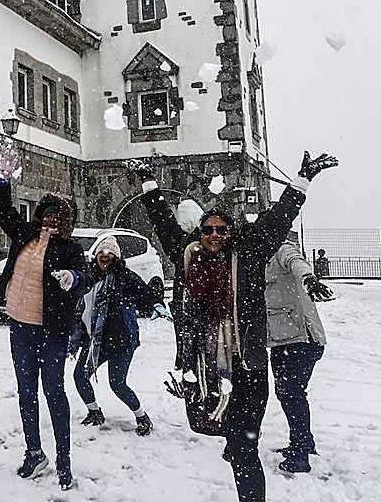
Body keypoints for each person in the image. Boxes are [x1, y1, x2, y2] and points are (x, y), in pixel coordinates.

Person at [136, 151, 338, 502]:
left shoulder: (248, 253)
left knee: (245, 451)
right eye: (208, 229)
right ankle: (236, 440)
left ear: (231, 233)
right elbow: (161, 220)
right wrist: (148, 183)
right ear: (200, 232)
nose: (214, 235)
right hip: (205, 368)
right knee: (219, 433)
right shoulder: (186, 255)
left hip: (247, 368)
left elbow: (278, 219)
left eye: (221, 230)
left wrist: (303, 180)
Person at [0, 144, 87, 491]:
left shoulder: (70, 249)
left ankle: (64, 459)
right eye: (47, 214)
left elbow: (85, 276)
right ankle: (34, 452)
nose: (51, 220)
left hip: (52, 331)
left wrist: (73, 279)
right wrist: (3, 179)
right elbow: (3, 210)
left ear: (66, 223)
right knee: (25, 392)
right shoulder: (26, 235)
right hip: (20, 326)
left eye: (58, 217)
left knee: (54, 392)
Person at [70, 235, 162, 435]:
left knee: (117, 384)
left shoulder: (125, 277)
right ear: (96, 256)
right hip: (95, 341)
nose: (105, 256)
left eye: (110, 253)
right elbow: (77, 300)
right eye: (102, 252)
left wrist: (156, 305)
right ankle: (95, 412)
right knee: (79, 376)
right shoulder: (89, 277)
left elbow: (145, 294)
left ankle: (142, 417)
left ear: (116, 257)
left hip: (121, 341)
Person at [265, 230, 333, 474]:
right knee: (290, 393)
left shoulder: (282, 249)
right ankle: (304, 441)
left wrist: (309, 279)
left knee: (291, 393)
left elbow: (297, 262)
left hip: (302, 340)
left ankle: (300, 453)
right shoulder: (259, 254)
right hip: (283, 340)